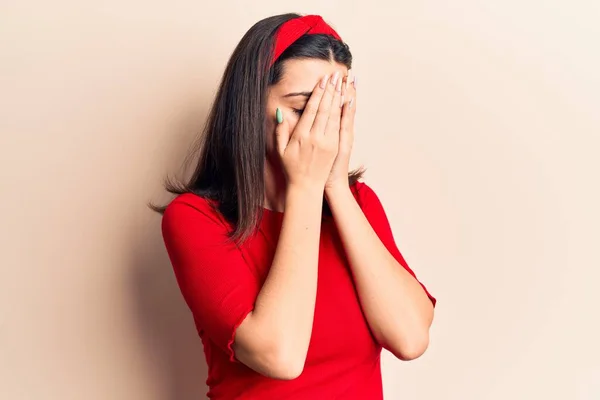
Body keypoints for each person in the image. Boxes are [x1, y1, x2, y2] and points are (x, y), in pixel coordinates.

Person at [156, 13, 437, 400]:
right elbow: (280, 355)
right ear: (250, 107)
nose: (322, 128)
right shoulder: (195, 219)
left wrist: (335, 186)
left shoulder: (359, 204)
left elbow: (410, 338)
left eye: (335, 110)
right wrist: (304, 187)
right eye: (305, 108)